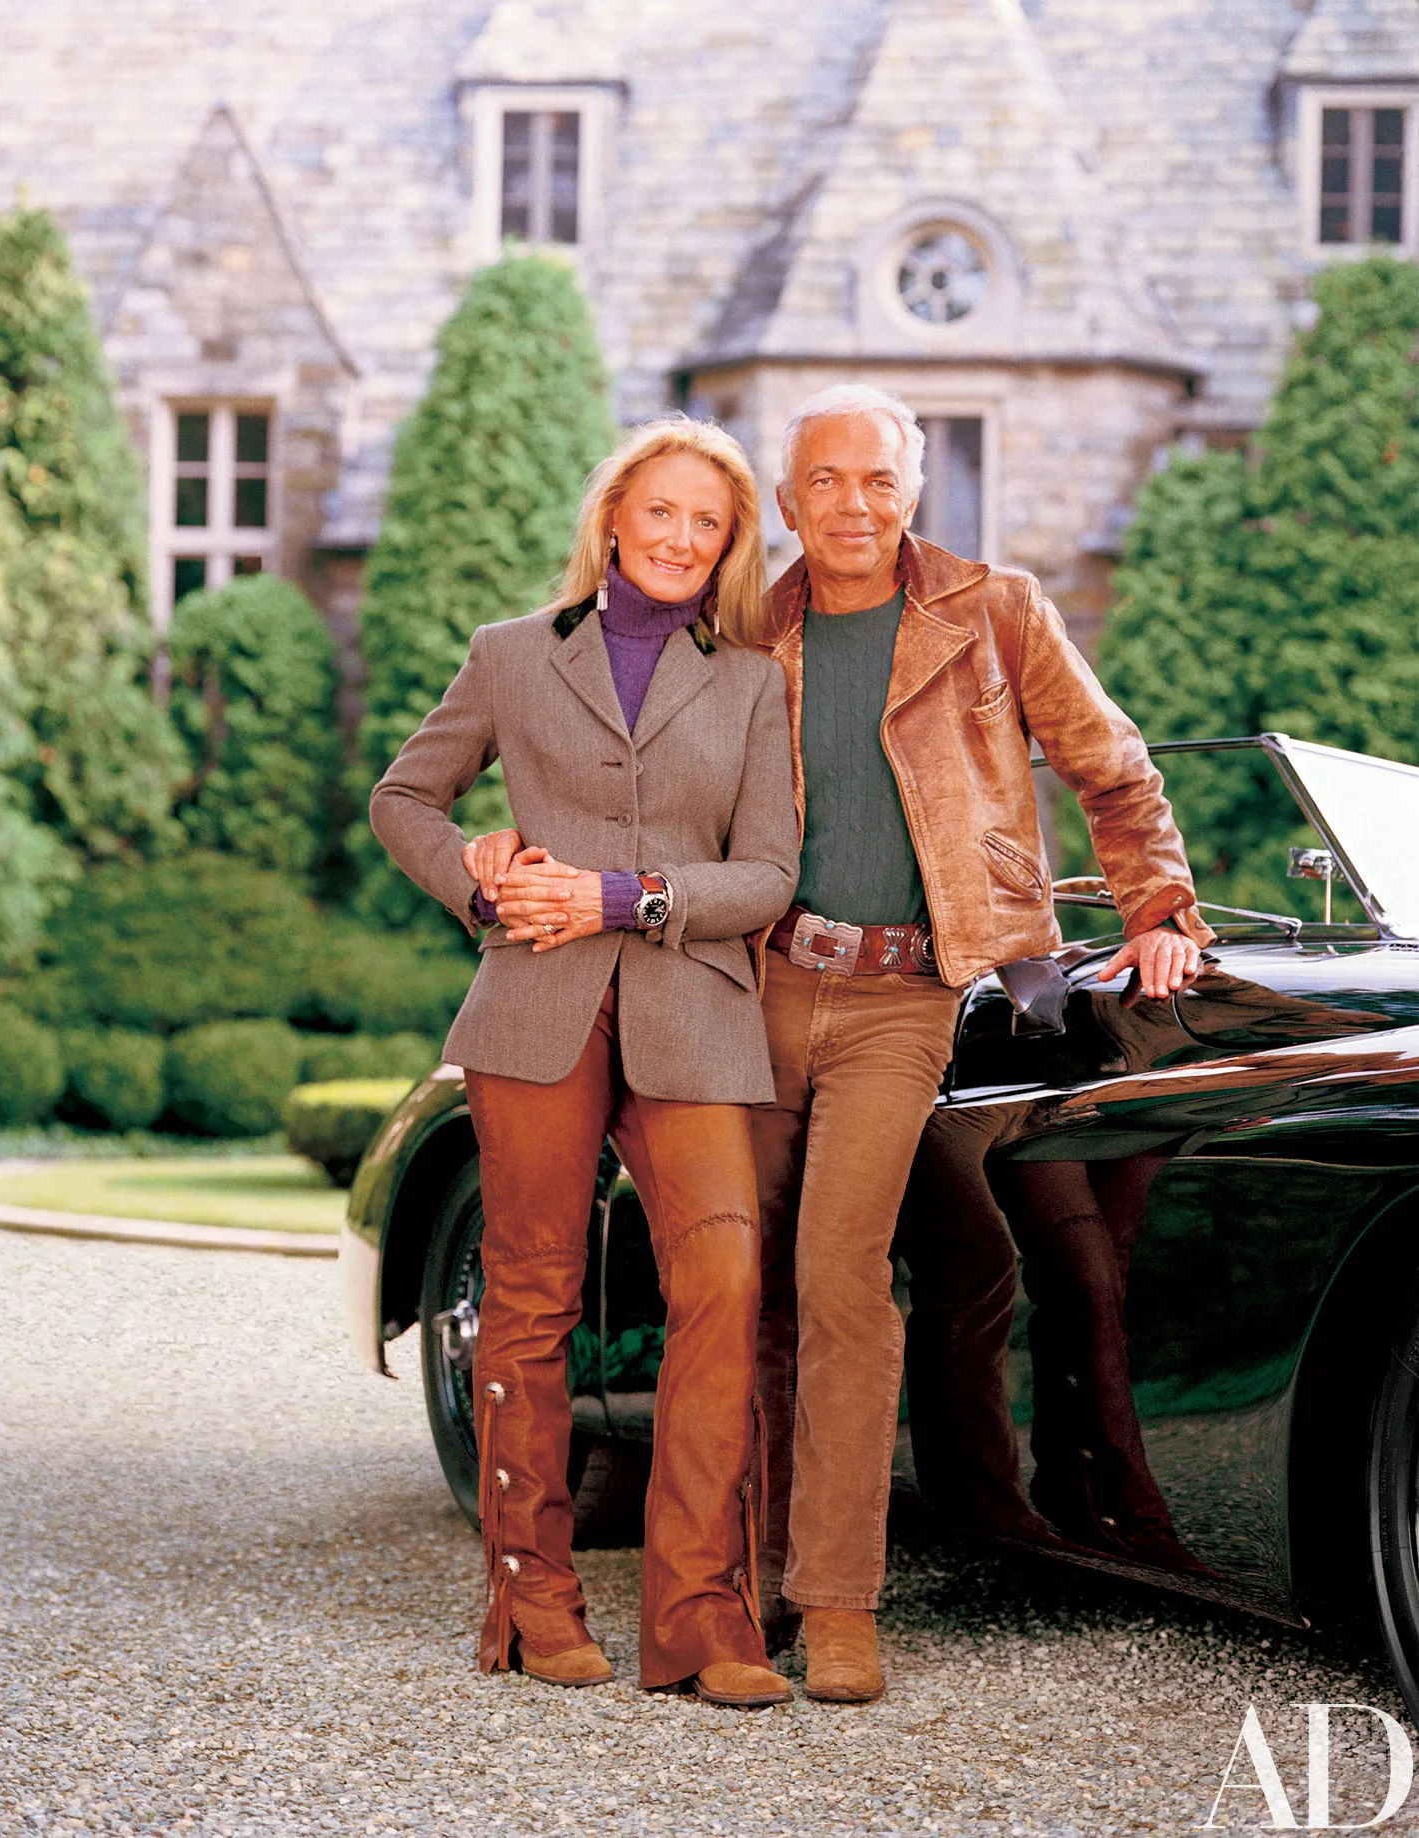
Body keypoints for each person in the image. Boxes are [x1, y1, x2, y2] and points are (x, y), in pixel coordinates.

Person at [747, 383, 1216, 1705]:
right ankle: (736, 1571)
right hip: (758, 983)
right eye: (826, 481)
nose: (854, 503)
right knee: (739, 1282)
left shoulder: (995, 608)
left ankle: (835, 1598)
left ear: (916, 489)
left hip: (907, 998)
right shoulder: (748, 626)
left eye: (879, 478)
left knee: (841, 1276)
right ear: (789, 504)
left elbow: (1109, 761)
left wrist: (1160, 905)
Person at [369, 417, 799, 1708]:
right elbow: (405, 799)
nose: (677, 536)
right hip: (533, 1014)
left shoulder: (750, 684)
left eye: (705, 522)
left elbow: (769, 876)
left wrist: (621, 894)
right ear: (615, 518)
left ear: (726, 547)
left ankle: (699, 1616)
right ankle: (533, 1595)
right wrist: (478, 876)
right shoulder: (510, 656)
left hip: (694, 1010)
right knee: (533, 1296)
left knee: (722, 1277)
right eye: (658, 511)